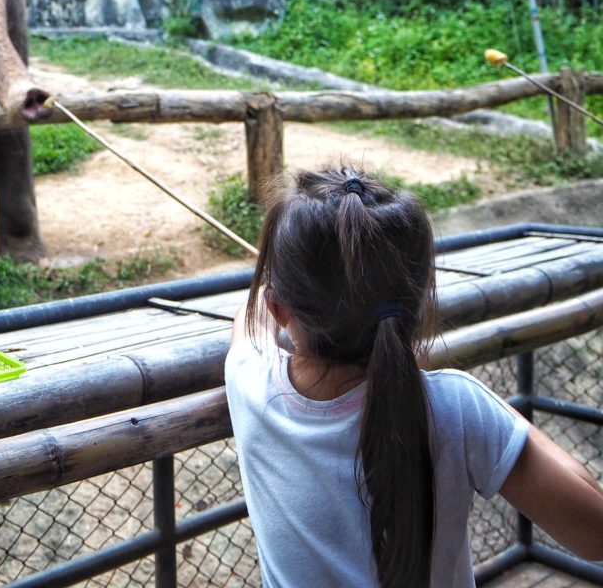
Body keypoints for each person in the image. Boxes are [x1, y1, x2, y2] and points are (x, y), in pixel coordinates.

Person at [225, 166, 603, 588]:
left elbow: (251, 321)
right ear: (422, 293)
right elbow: (595, 532)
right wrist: (509, 427)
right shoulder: (455, 407)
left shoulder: (250, 383)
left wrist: (271, 290)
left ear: (280, 309)